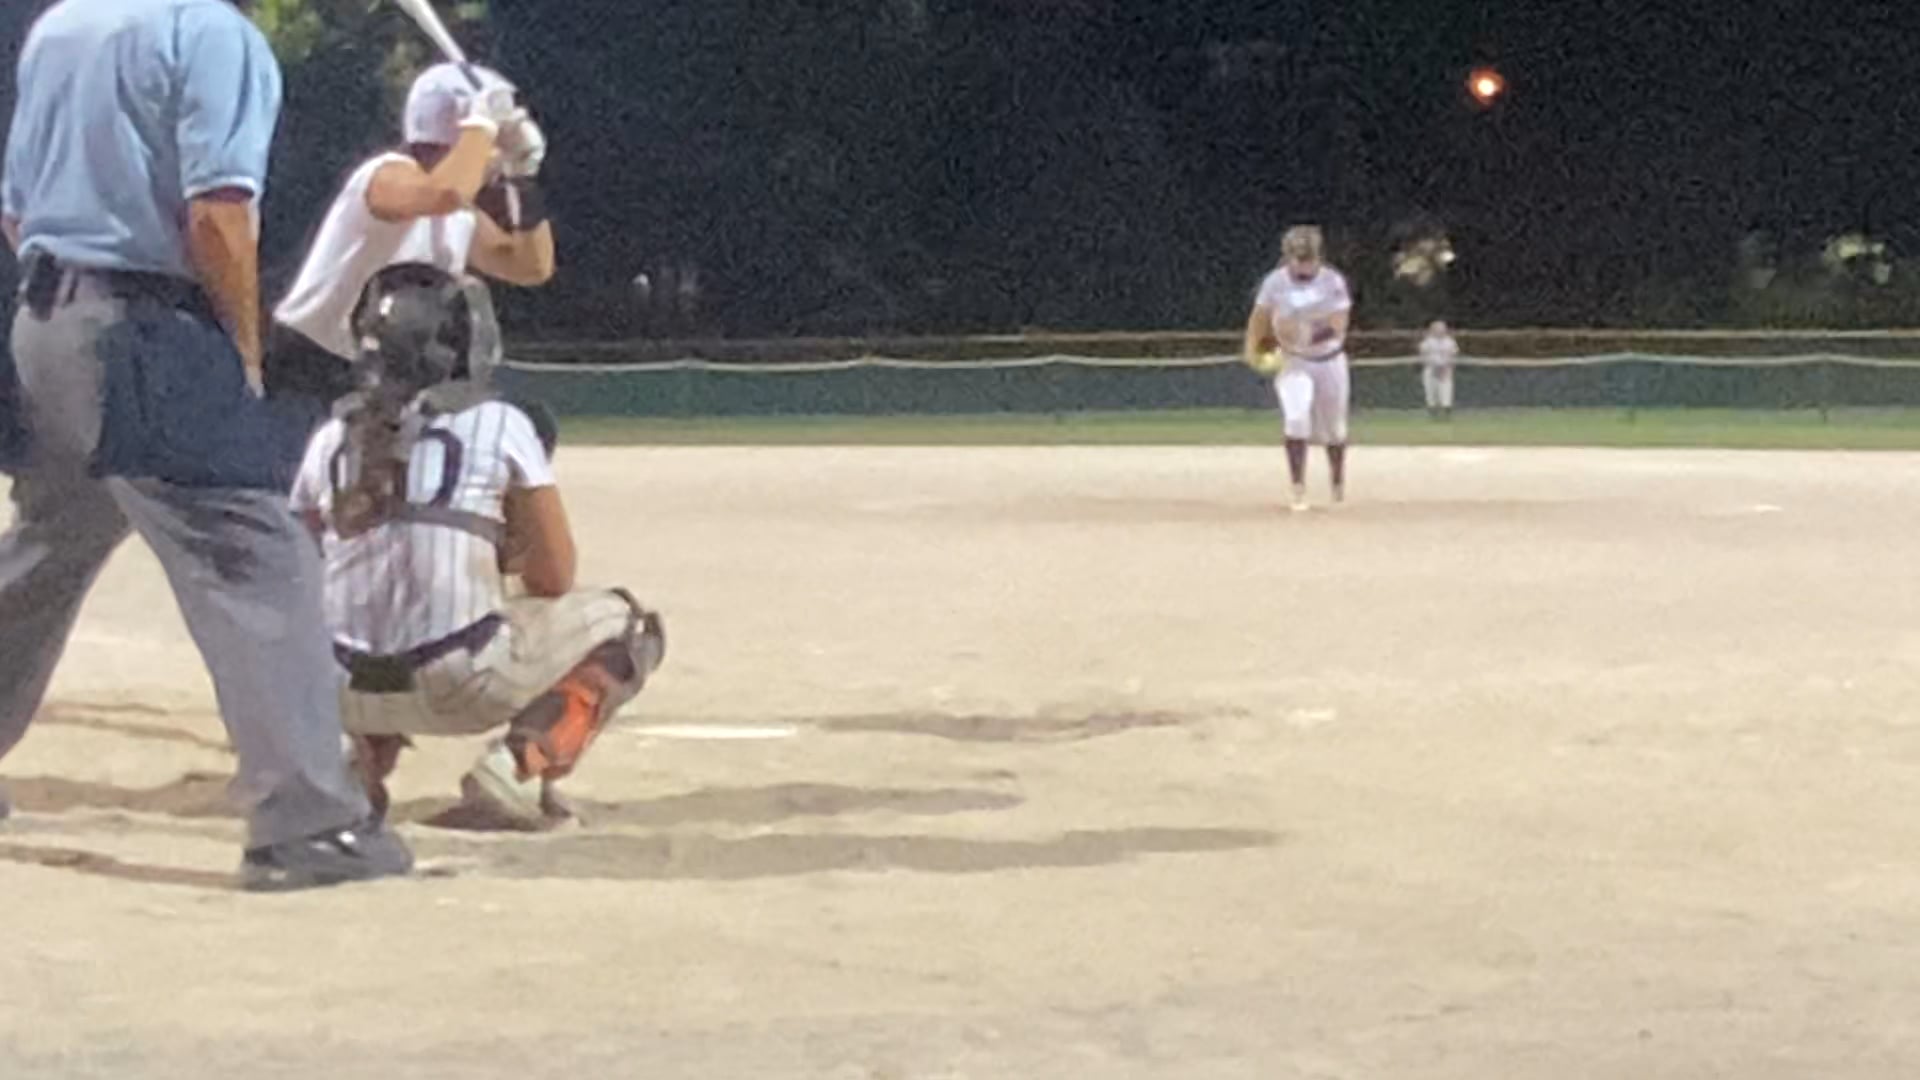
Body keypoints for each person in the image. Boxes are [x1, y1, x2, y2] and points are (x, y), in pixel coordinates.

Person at [0, 0, 411, 888]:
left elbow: (16, 213)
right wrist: (243, 348)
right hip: (144, 328)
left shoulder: (64, 25)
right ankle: (306, 822)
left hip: (45, 319)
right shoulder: (212, 33)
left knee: (52, 544)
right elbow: (219, 215)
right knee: (257, 555)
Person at [289, 263, 666, 830]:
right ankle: (517, 768)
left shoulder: (328, 437)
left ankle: (355, 771)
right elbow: (553, 576)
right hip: (461, 682)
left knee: (361, 611)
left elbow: (298, 570)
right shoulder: (499, 422)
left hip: (336, 687)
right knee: (630, 625)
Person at [264, 61, 554, 475]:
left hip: (381, 371)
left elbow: (530, 265)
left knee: (529, 425)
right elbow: (446, 191)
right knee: (306, 492)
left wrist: (523, 180)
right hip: (312, 369)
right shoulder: (385, 175)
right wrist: (481, 123)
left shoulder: (456, 211)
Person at [1243, 225, 1354, 512]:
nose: (1303, 264)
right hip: (1294, 361)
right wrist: (1252, 347)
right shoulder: (1275, 283)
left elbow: (1338, 325)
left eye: (1309, 257)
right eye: (1298, 257)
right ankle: (1298, 488)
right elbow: (1259, 318)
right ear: (1287, 256)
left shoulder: (1332, 281)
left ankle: (1337, 485)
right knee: (1296, 419)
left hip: (1329, 360)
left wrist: (1304, 334)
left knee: (1334, 429)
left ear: (1319, 256)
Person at [1419, 319, 1460, 420]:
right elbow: (1423, 355)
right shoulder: (1427, 342)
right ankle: (1433, 415)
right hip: (1431, 370)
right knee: (1431, 393)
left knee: (1446, 392)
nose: (1440, 331)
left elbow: (1453, 355)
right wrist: (1432, 367)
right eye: (1437, 329)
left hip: (1445, 370)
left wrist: (1447, 368)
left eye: (1442, 329)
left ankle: (1446, 415)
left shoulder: (1450, 342)